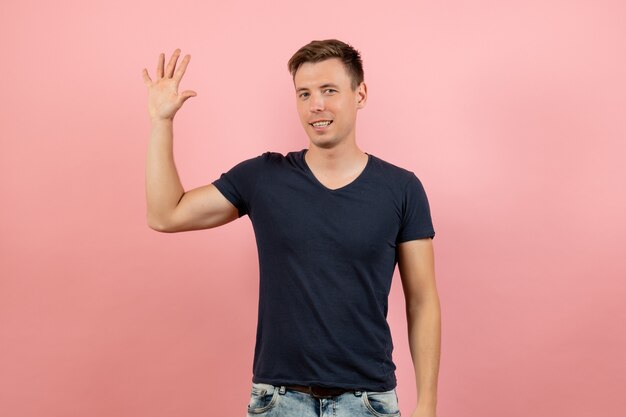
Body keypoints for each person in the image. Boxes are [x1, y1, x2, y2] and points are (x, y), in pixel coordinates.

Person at [142, 39, 440, 417]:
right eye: (304, 94)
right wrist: (161, 122)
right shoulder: (263, 177)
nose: (316, 104)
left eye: (329, 90)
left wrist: (427, 404)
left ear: (359, 93)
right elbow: (166, 214)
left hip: (367, 402)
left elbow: (422, 301)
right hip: (279, 401)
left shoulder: (402, 188)